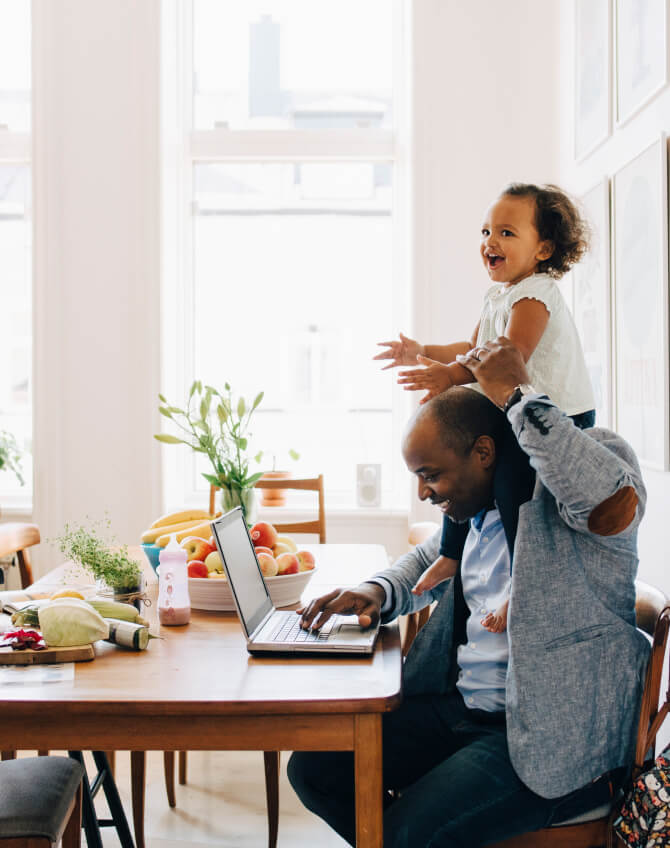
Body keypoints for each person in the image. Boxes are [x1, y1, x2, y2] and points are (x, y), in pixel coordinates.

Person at [288, 337, 649, 848]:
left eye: (430, 475)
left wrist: (515, 394)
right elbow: (424, 560)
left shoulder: (588, 469)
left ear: (484, 452)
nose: (423, 492)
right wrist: (375, 590)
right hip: (460, 711)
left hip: (549, 744)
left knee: (407, 832)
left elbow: (608, 500)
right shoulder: (478, 509)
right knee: (314, 769)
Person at [375, 183, 596, 632]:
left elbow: (507, 358)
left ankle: (522, 584)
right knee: (466, 471)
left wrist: (451, 376)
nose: (490, 242)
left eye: (507, 233)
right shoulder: (497, 296)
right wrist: (424, 351)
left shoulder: (536, 294)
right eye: (485, 231)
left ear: (544, 248)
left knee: (511, 482)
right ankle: (451, 555)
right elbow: (473, 347)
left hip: (556, 416)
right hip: (513, 408)